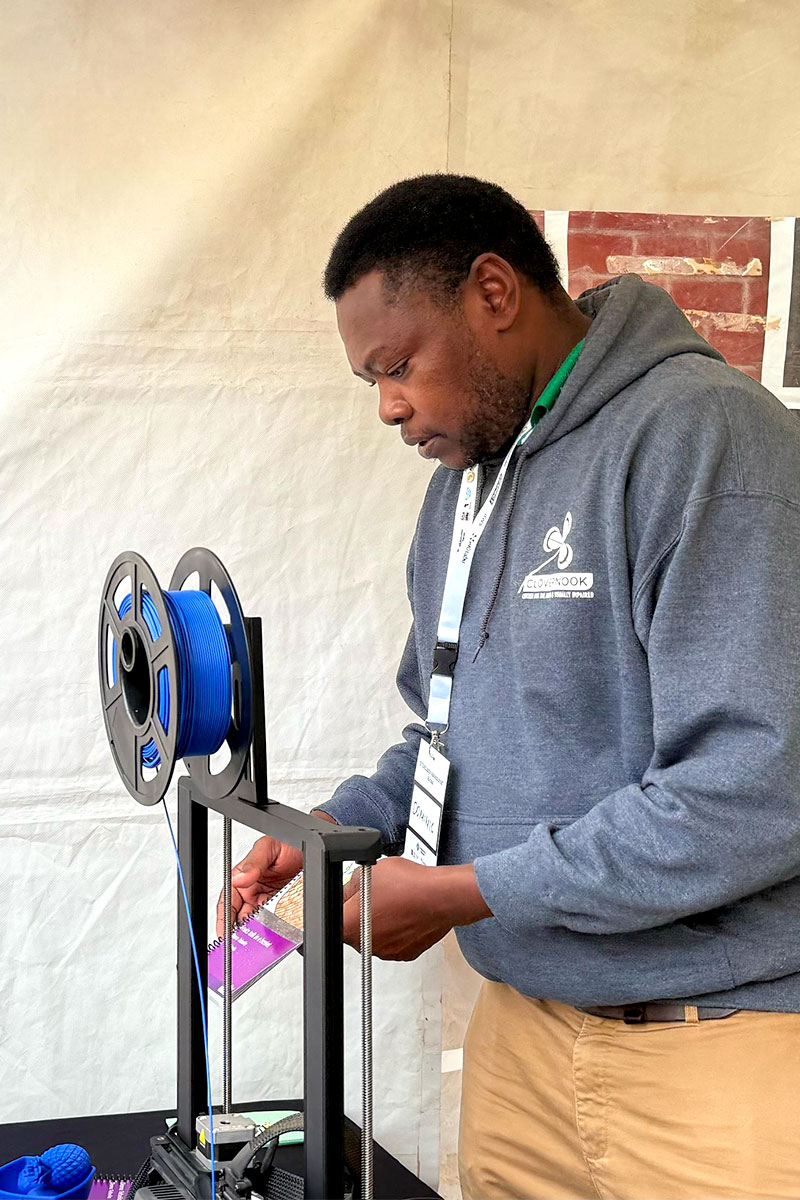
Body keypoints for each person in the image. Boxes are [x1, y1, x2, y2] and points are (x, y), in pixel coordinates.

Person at [220, 175, 800, 1199]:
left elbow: (758, 787)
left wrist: (468, 892)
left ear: (494, 292)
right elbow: (448, 730)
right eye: (370, 380)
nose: (389, 407)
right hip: (521, 1042)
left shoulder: (708, 440)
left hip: (716, 1053)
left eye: (398, 365)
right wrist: (341, 827)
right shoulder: (463, 489)